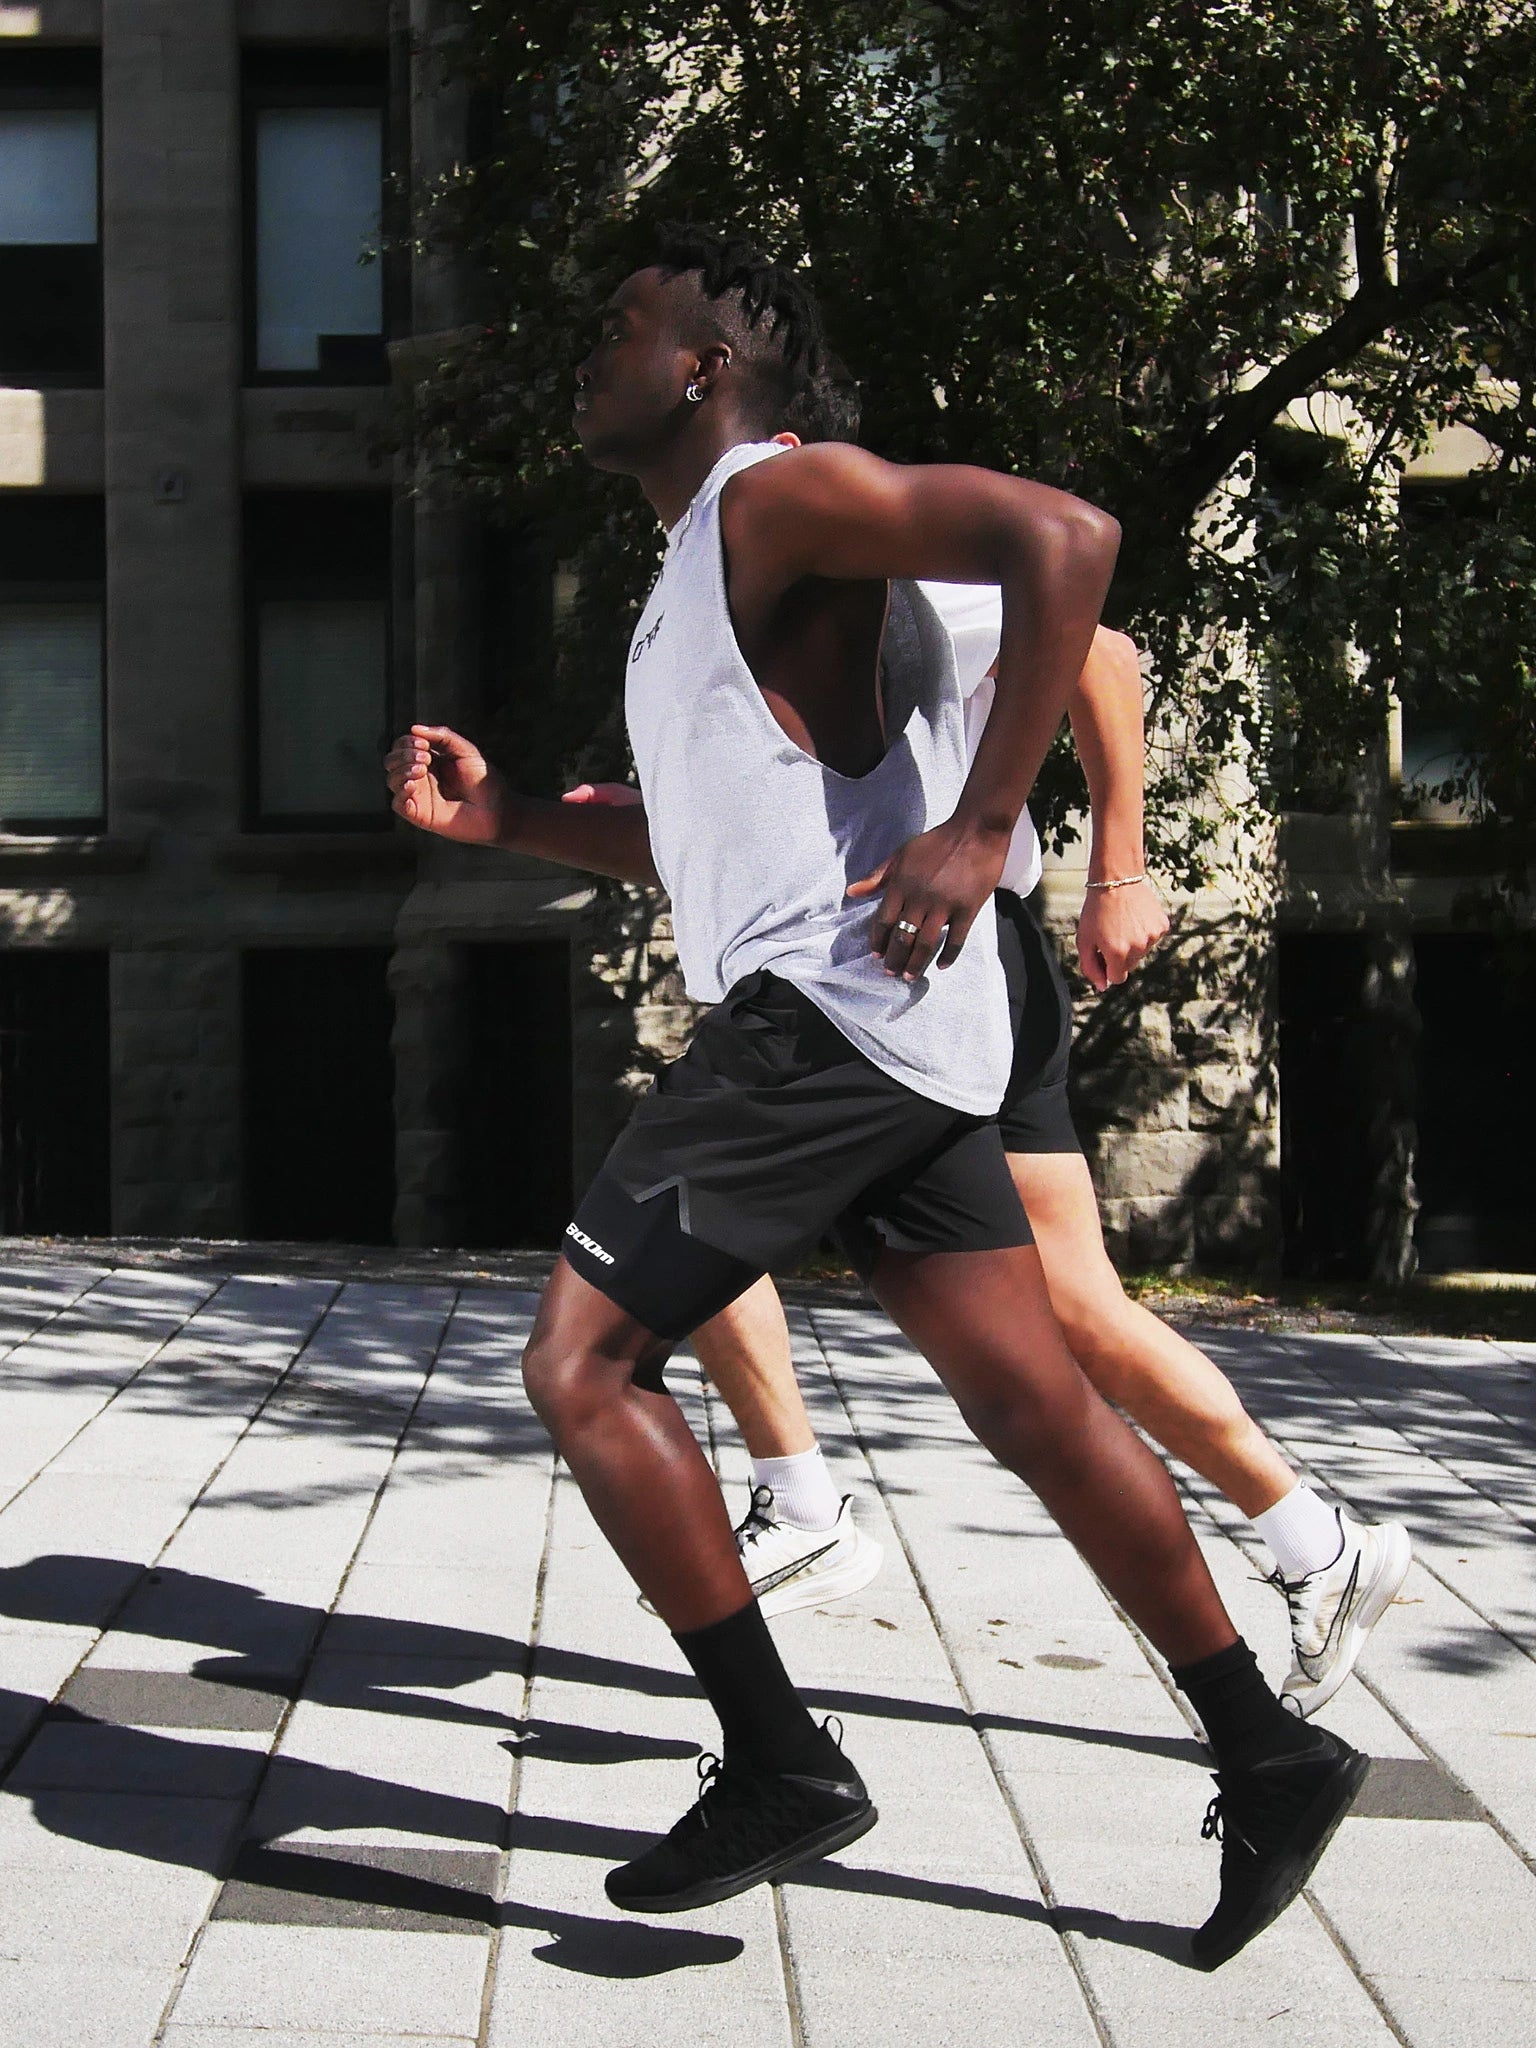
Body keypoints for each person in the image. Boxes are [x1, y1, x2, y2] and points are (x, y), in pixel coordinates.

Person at [386, 225, 1367, 1968]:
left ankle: (776, 1761)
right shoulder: (707, 556)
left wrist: (990, 828)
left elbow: (1069, 543)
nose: (592, 357)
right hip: (897, 1031)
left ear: (706, 366)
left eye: (625, 331)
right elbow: (696, 843)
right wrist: (511, 817)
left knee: (578, 1361)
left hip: (824, 1028)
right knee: (1042, 1406)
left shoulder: (776, 496)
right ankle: (1270, 1749)